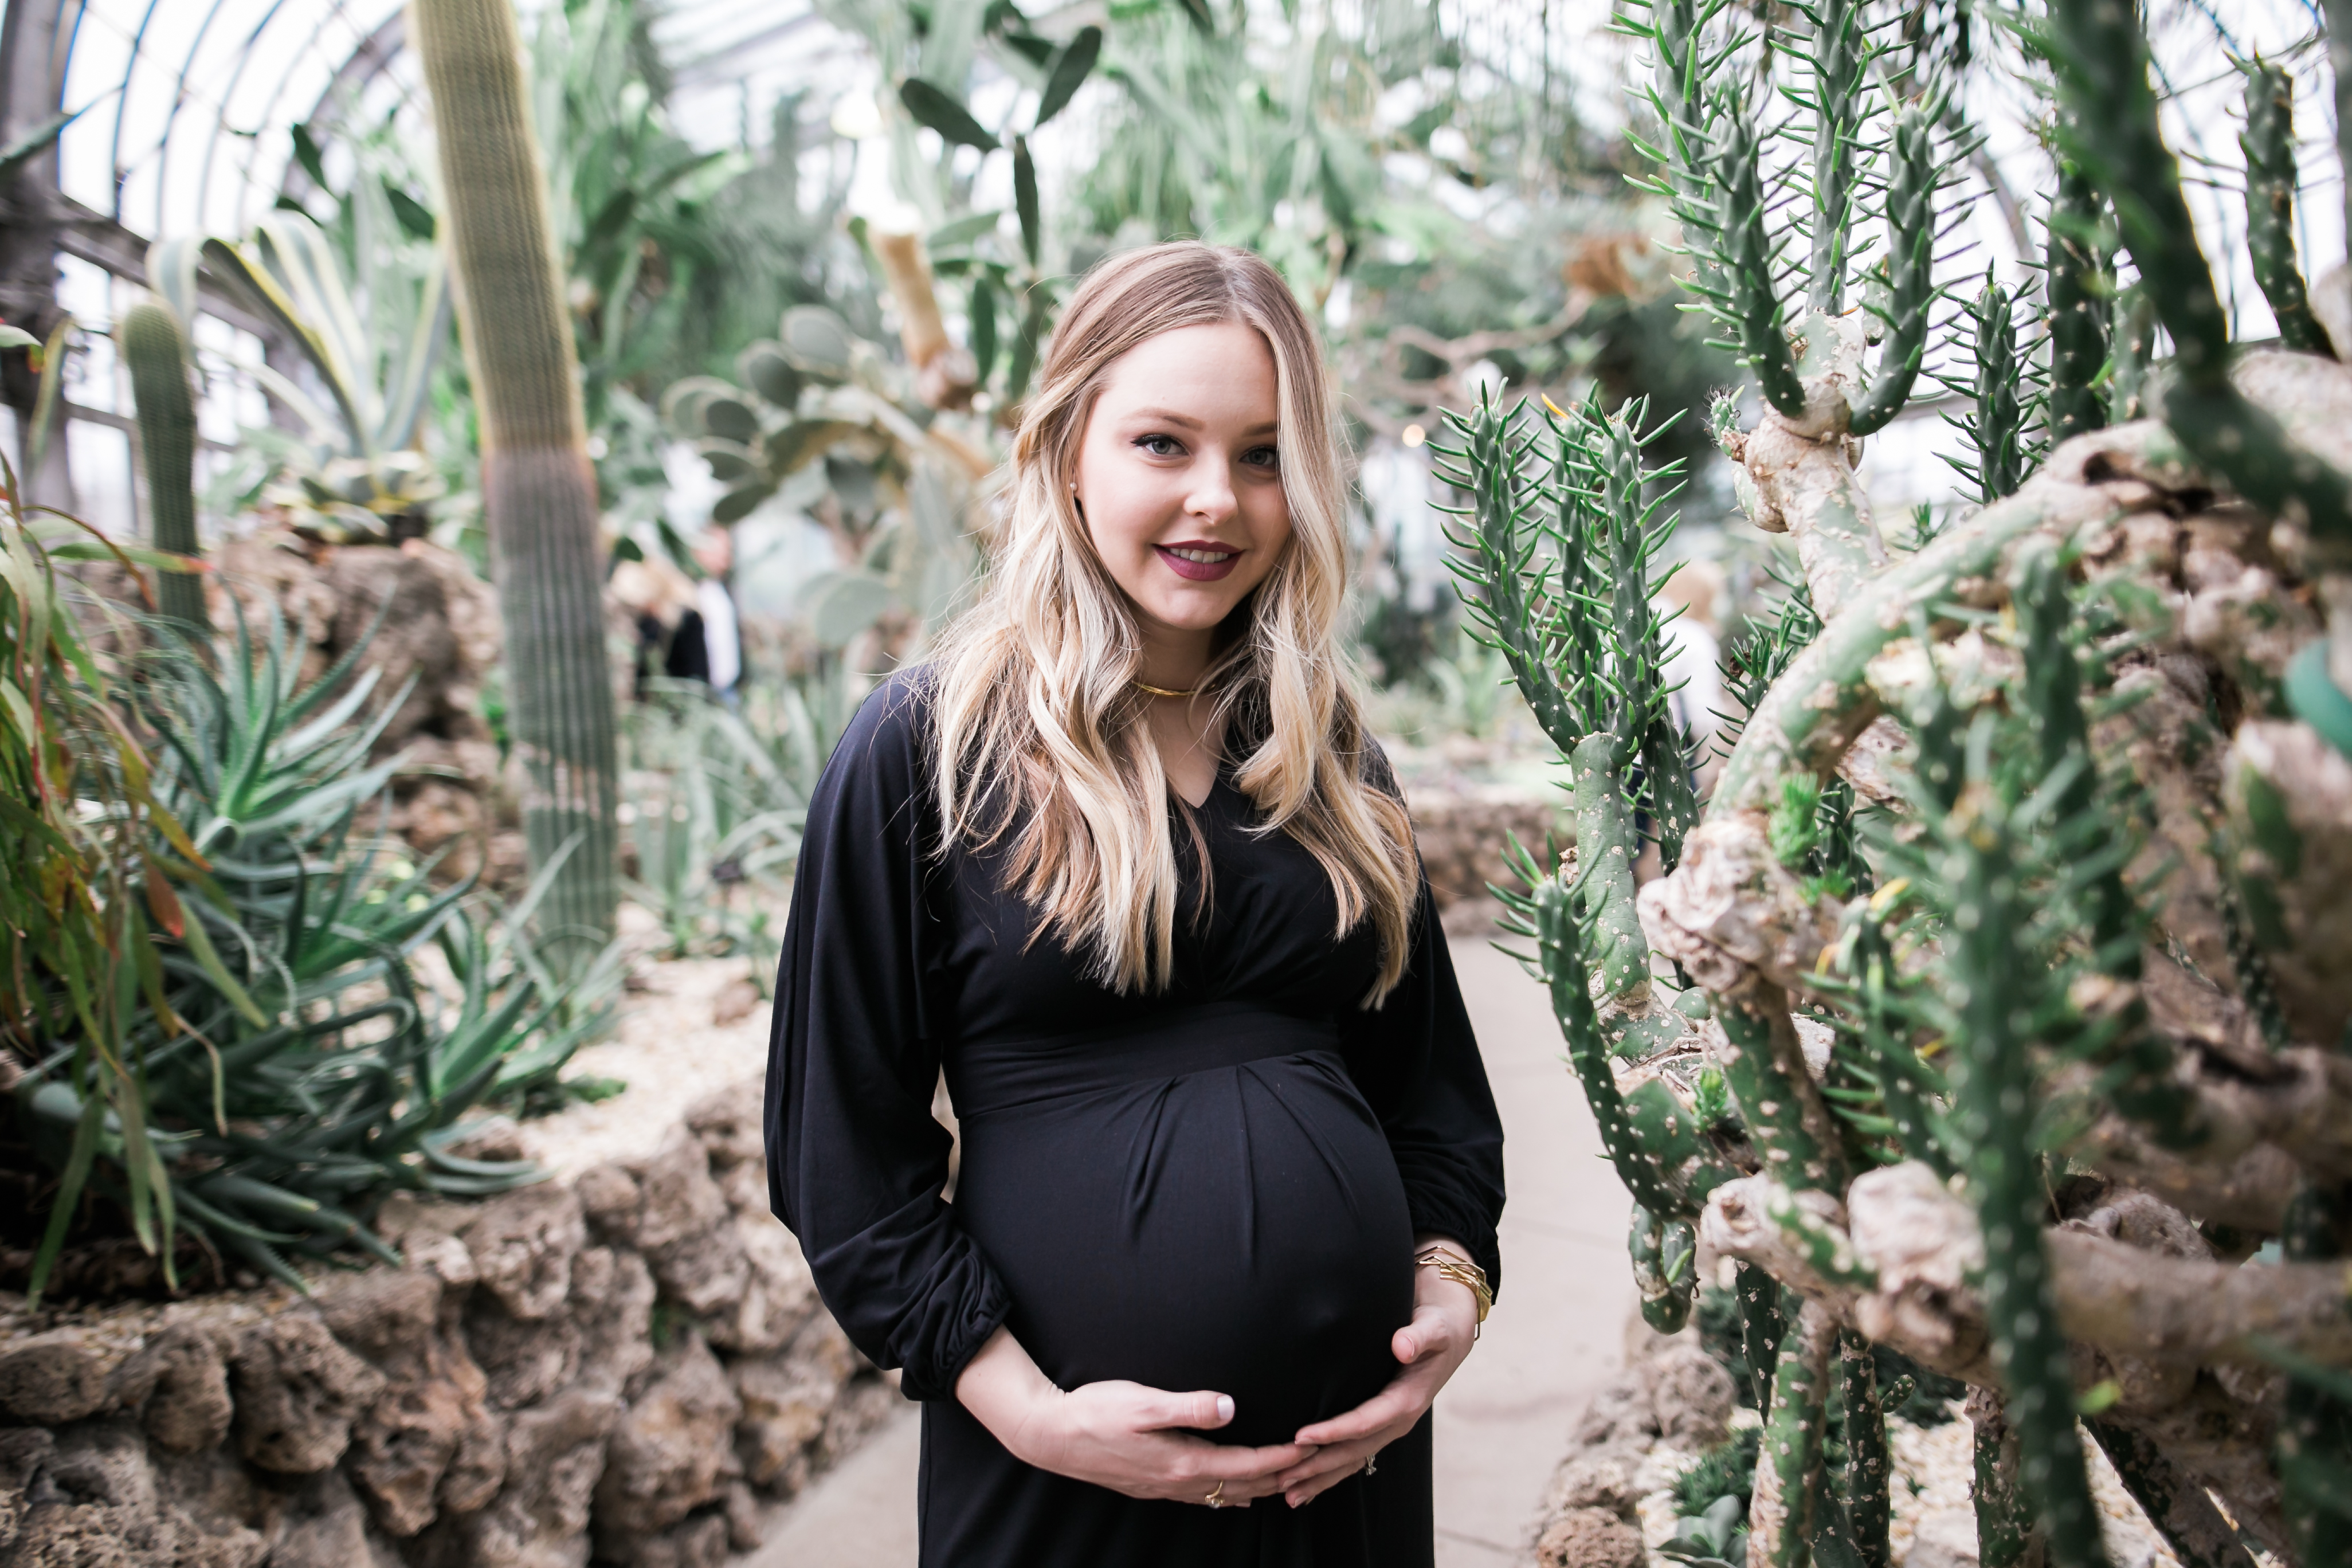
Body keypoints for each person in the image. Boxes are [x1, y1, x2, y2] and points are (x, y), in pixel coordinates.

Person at [763, 242, 1506, 1567]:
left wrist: (1450, 1291)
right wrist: (1035, 1418)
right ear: (1068, 453)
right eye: (1163, 443)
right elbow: (841, 1159)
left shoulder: (1327, 752)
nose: (1217, 500)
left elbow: (1433, 1093)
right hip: (1064, 1496)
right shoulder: (928, 750)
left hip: (1345, 1489)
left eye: (1265, 455)